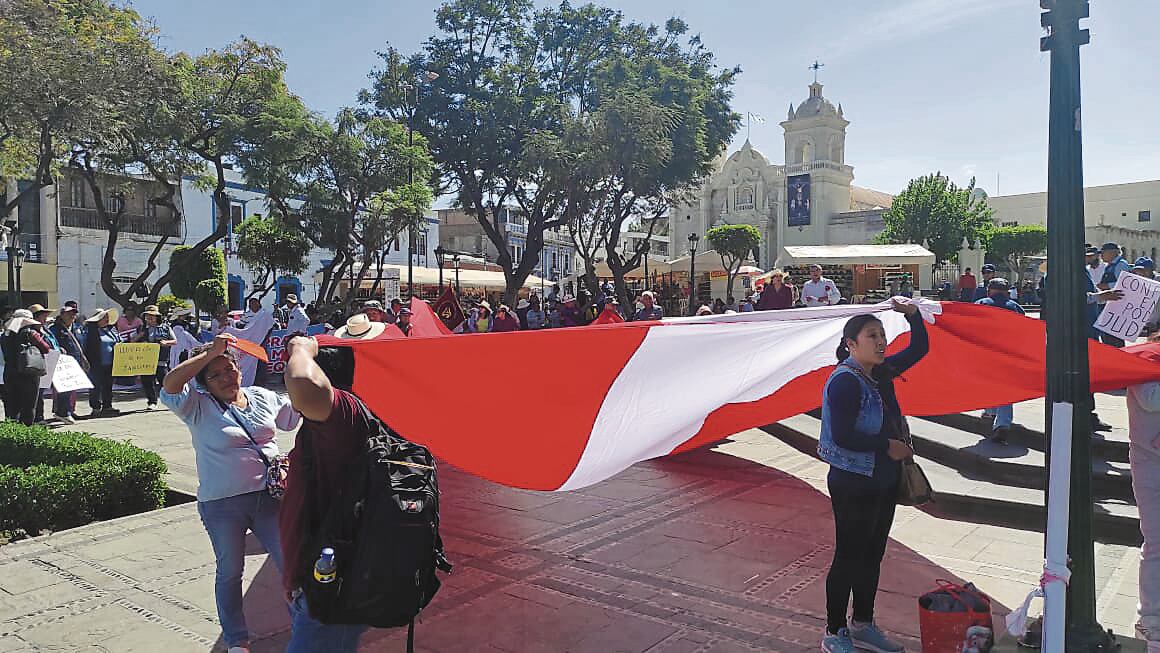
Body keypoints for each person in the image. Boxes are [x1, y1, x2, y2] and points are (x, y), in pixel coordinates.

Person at [161, 334, 299, 653]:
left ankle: (305, 628)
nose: (226, 377)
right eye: (215, 374)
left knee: (291, 564)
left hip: (270, 499)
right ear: (203, 383)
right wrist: (211, 351)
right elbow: (170, 383)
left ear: (239, 367)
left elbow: (295, 414)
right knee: (230, 571)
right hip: (222, 505)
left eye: (230, 368)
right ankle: (237, 640)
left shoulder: (261, 396)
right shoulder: (194, 406)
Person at [819, 300, 927, 653]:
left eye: (882, 335)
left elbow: (921, 348)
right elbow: (842, 436)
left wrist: (912, 314)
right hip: (853, 480)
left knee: (872, 554)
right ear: (851, 343)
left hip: (883, 479)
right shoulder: (845, 382)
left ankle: (863, 624)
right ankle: (835, 632)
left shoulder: (879, 373)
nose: (881, 342)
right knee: (849, 556)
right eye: (872, 336)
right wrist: (887, 446)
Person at [279, 332, 382, 651]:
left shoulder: (344, 414)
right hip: (318, 580)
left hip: (331, 592)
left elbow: (303, 383)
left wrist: (300, 348)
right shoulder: (332, 421)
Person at [1128, 335, 1160, 645]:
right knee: (1157, 542)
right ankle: (1151, 619)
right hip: (1151, 464)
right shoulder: (1144, 356)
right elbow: (1150, 400)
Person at [975, 279, 1026, 444]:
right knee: (1006, 388)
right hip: (1009, 353)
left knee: (988, 383)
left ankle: (990, 412)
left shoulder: (980, 304)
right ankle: (1002, 423)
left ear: (990, 290)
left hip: (986, 352)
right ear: (1007, 292)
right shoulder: (1015, 307)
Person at [1, 310, 51, 425]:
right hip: (28, 373)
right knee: (28, 406)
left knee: (13, 406)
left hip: (9, 373)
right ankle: (26, 432)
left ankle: (13, 433)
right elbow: (46, 348)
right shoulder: (31, 333)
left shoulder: (5, 335)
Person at [50, 304, 87, 424]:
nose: (72, 316)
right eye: (69, 313)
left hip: (75, 362)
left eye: (74, 313)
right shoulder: (55, 329)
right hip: (62, 364)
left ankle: (68, 410)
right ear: (62, 315)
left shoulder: (77, 327)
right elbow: (51, 344)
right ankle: (62, 412)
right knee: (64, 389)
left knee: (71, 388)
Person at [83, 308, 121, 417]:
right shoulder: (89, 331)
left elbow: (119, 341)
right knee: (95, 386)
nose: (107, 319)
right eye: (104, 317)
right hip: (95, 363)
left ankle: (107, 406)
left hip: (110, 363)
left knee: (108, 385)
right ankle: (95, 407)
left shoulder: (112, 330)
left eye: (107, 317)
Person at [139, 305, 176, 410]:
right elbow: (133, 341)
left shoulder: (166, 328)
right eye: (147, 316)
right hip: (146, 361)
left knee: (165, 381)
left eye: (152, 316)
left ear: (157, 317)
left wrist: (166, 342)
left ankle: (172, 401)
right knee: (147, 382)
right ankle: (152, 401)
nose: (149, 318)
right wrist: (140, 337)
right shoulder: (141, 328)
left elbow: (174, 341)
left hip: (161, 360)